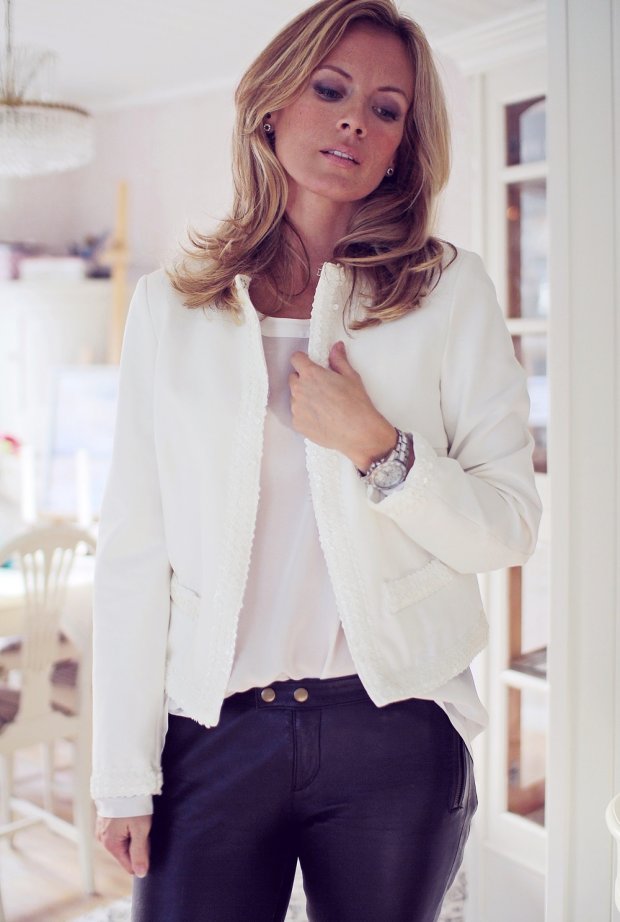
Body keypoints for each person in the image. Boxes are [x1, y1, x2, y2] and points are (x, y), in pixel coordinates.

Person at [91, 1, 542, 920]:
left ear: (403, 145)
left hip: (395, 730)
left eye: (386, 108)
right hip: (211, 731)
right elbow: (134, 550)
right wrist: (120, 772)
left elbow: (508, 528)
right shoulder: (173, 307)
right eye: (330, 90)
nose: (355, 122)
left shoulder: (447, 293)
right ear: (271, 105)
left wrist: (379, 448)